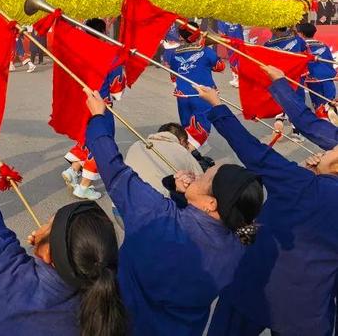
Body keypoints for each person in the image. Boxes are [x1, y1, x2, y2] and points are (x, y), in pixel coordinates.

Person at [84, 88, 263, 335]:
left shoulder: (158, 216)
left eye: (205, 177)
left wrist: (98, 118)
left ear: (211, 204)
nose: (197, 176)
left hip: (124, 322)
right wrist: (181, 197)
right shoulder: (236, 247)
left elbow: (113, 169)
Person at [0, 102, 127, 336]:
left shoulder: (7, 271)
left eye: (50, 223)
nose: (42, 227)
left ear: (49, 252)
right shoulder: (106, 314)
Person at [204, 68, 338, 335]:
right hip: (308, 312)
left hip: (252, 288)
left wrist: (218, 106)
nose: (326, 148)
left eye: (331, 150)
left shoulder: (301, 182)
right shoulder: (304, 180)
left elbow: (255, 153)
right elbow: (308, 124)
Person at [62, 18, 125, 201]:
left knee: (87, 139)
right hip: (99, 107)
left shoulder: (77, 53)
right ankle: (83, 187)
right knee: (100, 144)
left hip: (81, 105)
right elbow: (117, 91)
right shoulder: (110, 55)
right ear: (104, 32)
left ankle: (73, 170)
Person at [163, 21, 225, 152]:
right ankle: (185, 154)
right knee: (202, 126)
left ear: (180, 37)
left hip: (182, 94)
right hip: (202, 94)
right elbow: (220, 67)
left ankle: (190, 152)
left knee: (187, 125)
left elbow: (174, 73)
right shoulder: (206, 51)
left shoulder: (175, 54)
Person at [123, 122, 203, 196]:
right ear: (182, 141)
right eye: (186, 145)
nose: (187, 148)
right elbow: (202, 182)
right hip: (155, 205)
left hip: (122, 202)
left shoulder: (137, 145)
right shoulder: (181, 150)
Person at [297, 21, 336, 118]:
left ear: (301, 34)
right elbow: (330, 61)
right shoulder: (323, 45)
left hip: (314, 81)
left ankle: (327, 130)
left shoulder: (302, 47)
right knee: (331, 106)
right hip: (328, 79)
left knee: (320, 109)